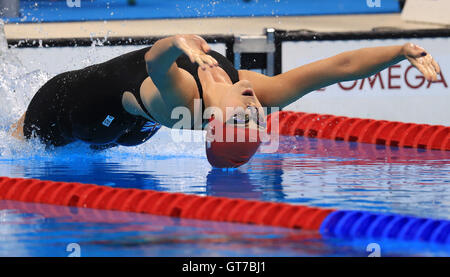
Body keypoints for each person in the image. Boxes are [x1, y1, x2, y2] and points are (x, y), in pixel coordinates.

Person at [10, 35, 440, 167]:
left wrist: (176, 44)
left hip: (68, 108)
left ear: (215, 120)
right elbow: (336, 67)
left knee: (22, 146)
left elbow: (156, 64)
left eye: (244, 116)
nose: (255, 107)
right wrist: (400, 52)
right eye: (258, 117)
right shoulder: (249, 91)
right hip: (115, 120)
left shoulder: (183, 103)